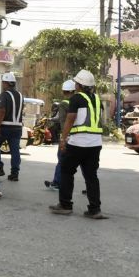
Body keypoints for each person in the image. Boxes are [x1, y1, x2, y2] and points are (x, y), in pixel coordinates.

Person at [50, 69, 108, 219]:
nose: (75, 84)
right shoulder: (97, 99)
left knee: (66, 171)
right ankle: (95, 209)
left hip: (78, 143)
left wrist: (63, 139)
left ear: (80, 85)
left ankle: (65, 205)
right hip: (95, 144)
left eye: (76, 82)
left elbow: (70, 119)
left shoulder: (76, 99)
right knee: (91, 176)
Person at [0, 72, 24, 182]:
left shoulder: (4, 95)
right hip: (17, 127)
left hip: (5, 126)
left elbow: (1, 110)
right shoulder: (20, 95)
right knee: (15, 150)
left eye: (3, 82)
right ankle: (15, 173)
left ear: (6, 83)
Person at [45, 80, 75, 191]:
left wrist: (63, 138)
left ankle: (57, 182)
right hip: (78, 135)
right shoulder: (79, 101)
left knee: (61, 159)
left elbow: (63, 120)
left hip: (67, 135)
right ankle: (89, 187)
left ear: (64, 91)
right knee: (82, 163)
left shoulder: (64, 104)